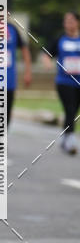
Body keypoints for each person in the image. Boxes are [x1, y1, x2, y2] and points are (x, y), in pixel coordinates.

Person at [46, 11, 80, 154]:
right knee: (70, 108)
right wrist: (47, 63)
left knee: (74, 110)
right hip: (64, 81)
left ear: (77, 22)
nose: (68, 23)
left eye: (71, 20)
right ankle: (70, 138)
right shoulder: (60, 38)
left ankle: (66, 137)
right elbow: (47, 54)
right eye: (66, 20)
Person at [6, 18, 32, 126]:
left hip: (9, 80)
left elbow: (25, 50)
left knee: (6, 110)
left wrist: (28, 72)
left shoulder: (13, 29)